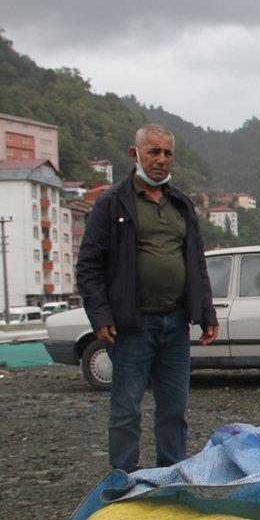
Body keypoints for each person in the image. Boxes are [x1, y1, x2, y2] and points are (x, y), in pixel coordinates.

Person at [76, 123, 219, 472]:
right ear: (135, 153)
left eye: (167, 153)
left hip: (175, 322)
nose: (161, 160)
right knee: (126, 409)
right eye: (154, 151)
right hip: (131, 325)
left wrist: (207, 313)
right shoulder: (112, 203)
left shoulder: (182, 204)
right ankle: (122, 480)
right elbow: (89, 266)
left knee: (174, 408)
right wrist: (101, 315)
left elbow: (197, 263)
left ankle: (171, 476)